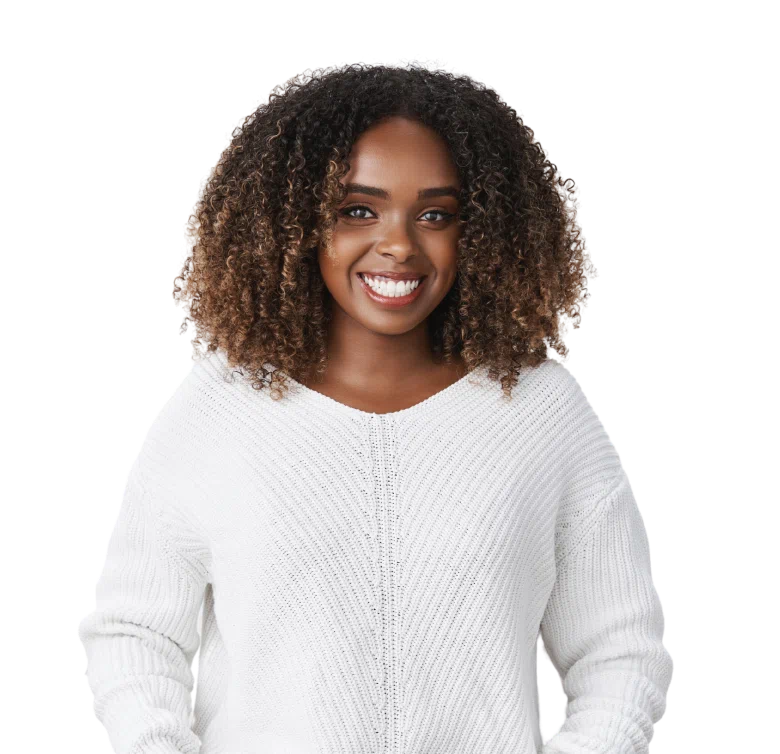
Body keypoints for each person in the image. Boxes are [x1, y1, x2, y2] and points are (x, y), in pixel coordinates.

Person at [79, 58, 673, 754]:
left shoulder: (545, 415)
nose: (398, 244)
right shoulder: (212, 412)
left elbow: (621, 651)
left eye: (436, 214)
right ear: (291, 222)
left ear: (483, 231)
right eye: (357, 210)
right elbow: (135, 633)